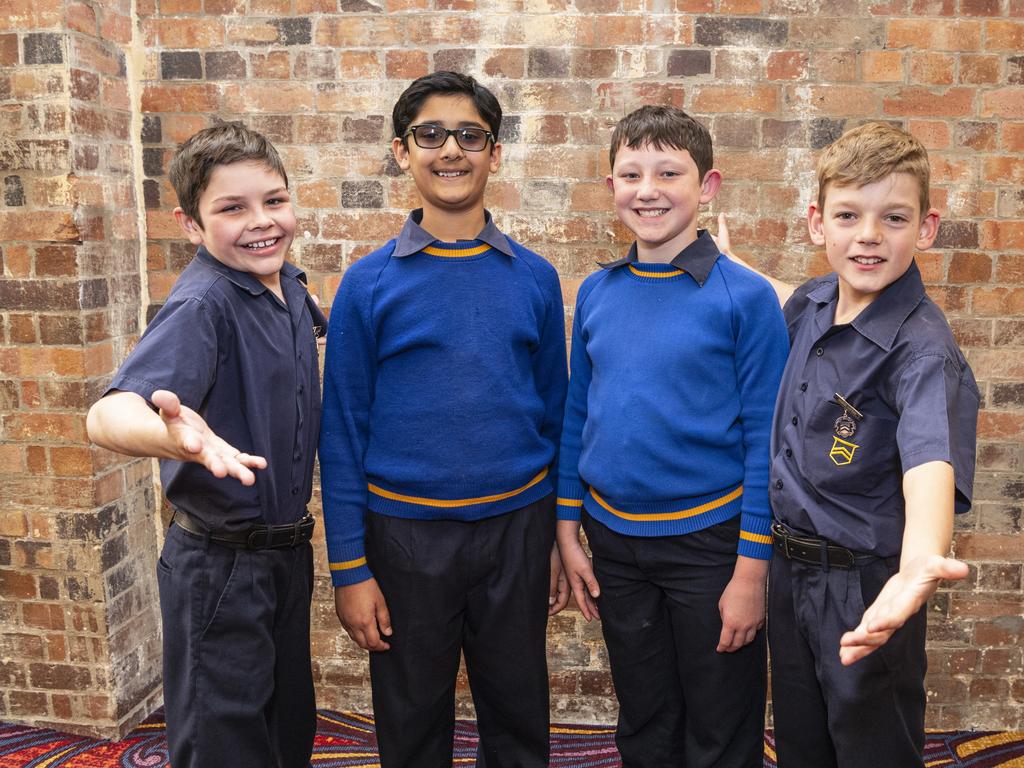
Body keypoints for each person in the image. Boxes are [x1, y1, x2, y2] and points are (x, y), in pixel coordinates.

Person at [318, 71, 569, 768]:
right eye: (430, 135)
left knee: (519, 712)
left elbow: (554, 413)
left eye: (470, 135)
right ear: (403, 152)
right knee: (411, 717)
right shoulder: (368, 284)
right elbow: (340, 433)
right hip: (403, 539)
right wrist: (348, 568)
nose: (450, 150)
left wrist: (551, 536)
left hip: (516, 532)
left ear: (494, 153)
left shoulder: (535, 278)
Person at [722, 121, 979, 768]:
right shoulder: (814, 302)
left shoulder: (922, 352)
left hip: (865, 586)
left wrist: (920, 560)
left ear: (925, 228)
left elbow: (930, 460)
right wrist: (734, 266)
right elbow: (781, 293)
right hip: (792, 576)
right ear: (818, 224)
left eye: (893, 217)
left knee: (870, 751)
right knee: (804, 746)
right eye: (848, 216)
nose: (868, 235)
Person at [555, 104, 789, 768]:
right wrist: (567, 528)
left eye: (668, 172)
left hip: (711, 547)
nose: (648, 189)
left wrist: (751, 568)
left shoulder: (744, 298)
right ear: (611, 188)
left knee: (720, 716)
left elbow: (762, 444)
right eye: (631, 173)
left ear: (707, 187)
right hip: (616, 543)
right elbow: (579, 414)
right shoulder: (599, 292)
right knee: (645, 710)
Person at [86, 122, 325, 768]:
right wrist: (175, 437)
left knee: (284, 738)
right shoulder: (203, 305)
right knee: (224, 749)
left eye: (273, 200)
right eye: (231, 209)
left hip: (283, 563)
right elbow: (107, 416)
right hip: (220, 568)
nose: (261, 222)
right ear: (190, 225)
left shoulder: (289, 288)